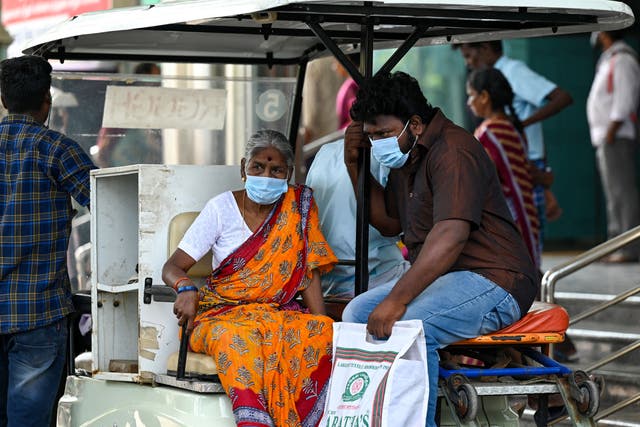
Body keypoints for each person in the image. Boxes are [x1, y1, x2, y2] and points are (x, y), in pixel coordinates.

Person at [340, 71, 539, 427]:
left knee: (412, 326)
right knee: (356, 316)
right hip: (447, 278)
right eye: (371, 137)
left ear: (414, 124)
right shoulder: (407, 156)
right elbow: (388, 222)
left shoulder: (453, 149)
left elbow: (450, 234)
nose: (378, 143)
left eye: (383, 134)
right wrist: (354, 163)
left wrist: (396, 300)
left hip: (495, 280)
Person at [162, 130, 337, 427]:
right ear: (244, 167)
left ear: (288, 173)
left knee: (325, 333)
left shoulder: (298, 208)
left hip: (275, 314)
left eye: (276, 170)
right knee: (237, 340)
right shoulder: (221, 209)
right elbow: (172, 267)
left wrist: (321, 322)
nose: (266, 175)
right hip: (221, 315)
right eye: (258, 167)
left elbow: (308, 273)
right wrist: (187, 288)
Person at [0, 55, 96, 427]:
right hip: (38, 312)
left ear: (5, 99)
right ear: (47, 100)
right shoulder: (58, 149)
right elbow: (109, 206)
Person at [457, 41, 572, 251]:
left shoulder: (512, 71)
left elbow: (562, 97)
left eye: (469, 56)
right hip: (527, 171)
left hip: (524, 175)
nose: (469, 63)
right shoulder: (504, 130)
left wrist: (521, 125)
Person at [306, 138, 410, 298]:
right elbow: (391, 226)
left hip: (322, 280)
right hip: (374, 277)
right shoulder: (388, 152)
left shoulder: (325, 150)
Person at [466, 68, 541, 267]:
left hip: (506, 216)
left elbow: (483, 178)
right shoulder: (512, 127)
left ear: (484, 97)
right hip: (527, 212)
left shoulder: (488, 132)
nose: (469, 102)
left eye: (471, 95)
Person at [587, 30, 640, 263]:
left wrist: (610, 131)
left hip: (615, 136)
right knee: (614, 194)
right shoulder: (609, 58)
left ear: (605, 33)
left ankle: (628, 248)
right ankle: (617, 244)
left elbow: (625, 99)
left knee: (622, 193)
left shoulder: (624, 60)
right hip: (606, 137)